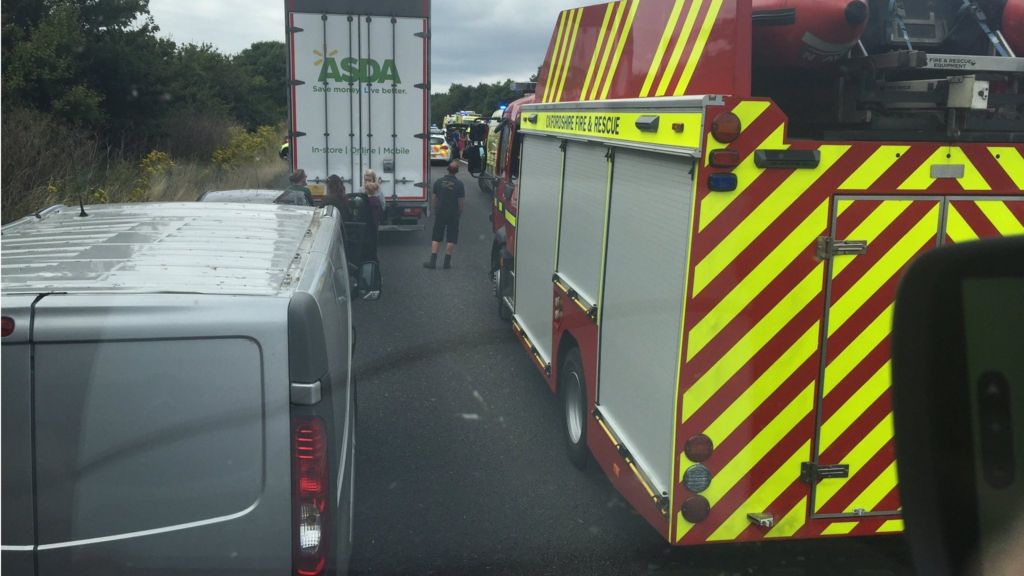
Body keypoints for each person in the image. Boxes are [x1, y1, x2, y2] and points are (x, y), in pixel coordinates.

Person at [423, 161, 464, 269]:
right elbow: (461, 202)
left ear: (447, 169)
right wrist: (459, 212)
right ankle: (447, 262)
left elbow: (434, 198)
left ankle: (433, 262)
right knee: (451, 237)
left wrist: (435, 209)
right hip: (453, 213)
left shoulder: (438, 182)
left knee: (436, 236)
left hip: (440, 212)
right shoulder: (459, 184)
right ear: (457, 171)